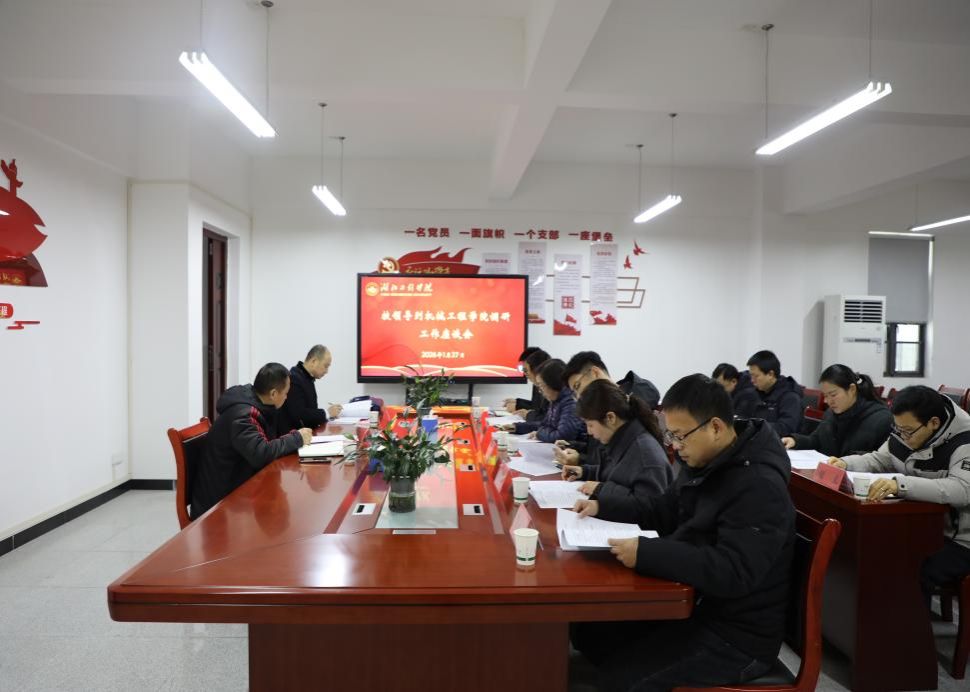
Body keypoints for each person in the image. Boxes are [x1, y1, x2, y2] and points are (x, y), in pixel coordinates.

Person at [572, 374, 794, 692]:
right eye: (671, 436)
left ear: (715, 427)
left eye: (680, 436)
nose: (675, 447)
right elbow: (663, 510)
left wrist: (647, 553)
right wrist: (603, 506)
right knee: (590, 633)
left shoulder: (759, 484)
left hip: (736, 635)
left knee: (619, 680)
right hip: (698, 604)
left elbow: (733, 570)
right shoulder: (709, 461)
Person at [827, 386, 970, 599]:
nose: (902, 436)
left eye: (908, 431)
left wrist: (900, 485)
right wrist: (845, 463)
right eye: (898, 428)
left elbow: (962, 489)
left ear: (934, 423)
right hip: (925, 526)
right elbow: (879, 460)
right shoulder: (907, 430)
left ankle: (909, 620)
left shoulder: (964, 440)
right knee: (875, 550)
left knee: (911, 569)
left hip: (961, 540)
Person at [191, 363, 312, 519]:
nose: (286, 397)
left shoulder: (260, 406)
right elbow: (261, 454)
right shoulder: (243, 416)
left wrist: (293, 438)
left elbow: (269, 441)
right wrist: (297, 438)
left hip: (236, 486)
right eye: (286, 393)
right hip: (219, 503)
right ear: (273, 393)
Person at [560, 380, 672, 514]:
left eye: (590, 425)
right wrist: (584, 471)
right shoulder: (622, 438)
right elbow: (618, 473)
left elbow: (648, 508)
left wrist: (600, 493)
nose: (589, 432)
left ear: (610, 418)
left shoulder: (644, 455)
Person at [782, 364, 891, 457]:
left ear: (852, 389)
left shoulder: (881, 420)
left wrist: (845, 462)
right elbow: (817, 440)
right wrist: (795, 441)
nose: (828, 401)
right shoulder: (831, 413)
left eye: (833, 395)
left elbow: (881, 461)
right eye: (825, 396)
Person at [512, 359, 584, 442]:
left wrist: (539, 434)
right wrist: (517, 427)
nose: (540, 391)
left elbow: (563, 436)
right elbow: (544, 425)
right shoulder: (556, 399)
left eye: (541, 386)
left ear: (552, 383)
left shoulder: (571, 402)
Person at [278, 345, 342, 433]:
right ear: (314, 361)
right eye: (326, 366)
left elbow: (310, 411)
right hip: (293, 437)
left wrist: (328, 415)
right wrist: (327, 413)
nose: (327, 371)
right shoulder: (294, 379)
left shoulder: (306, 377)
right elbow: (300, 415)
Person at [744, 350, 803, 436]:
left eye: (756, 376)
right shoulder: (756, 393)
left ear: (770, 374)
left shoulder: (790, 397)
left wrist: (755, 427)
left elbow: (786, 429)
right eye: (751, 376)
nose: (752, 380)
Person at [504, 348, 550, 422]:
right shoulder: (538, 383)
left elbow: (546, 419)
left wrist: (527, 414)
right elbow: (536, 406)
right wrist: (518, 403)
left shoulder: (550, 387)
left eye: (526, 370)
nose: (524, 373)